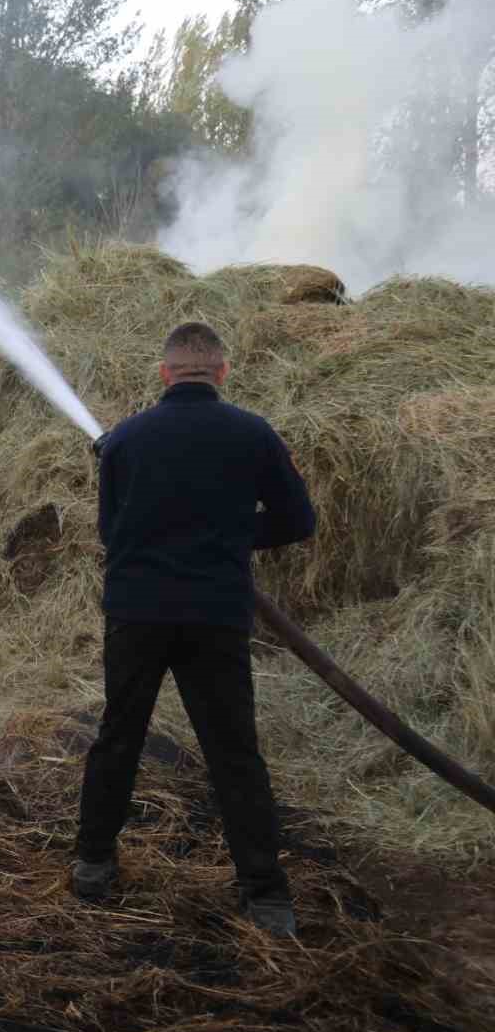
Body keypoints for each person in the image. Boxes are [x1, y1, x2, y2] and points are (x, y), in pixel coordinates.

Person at [73, 321, 316, 938]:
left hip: (137, 615)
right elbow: (297, 520)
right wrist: (235, 537)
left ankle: (93, 865)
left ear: (165, 374)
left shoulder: (123, 442)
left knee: (118, 738)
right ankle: (266, 897)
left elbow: (110, 534)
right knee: (235, 754)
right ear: (222, 372)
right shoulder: (253, 435)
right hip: (216, 617)